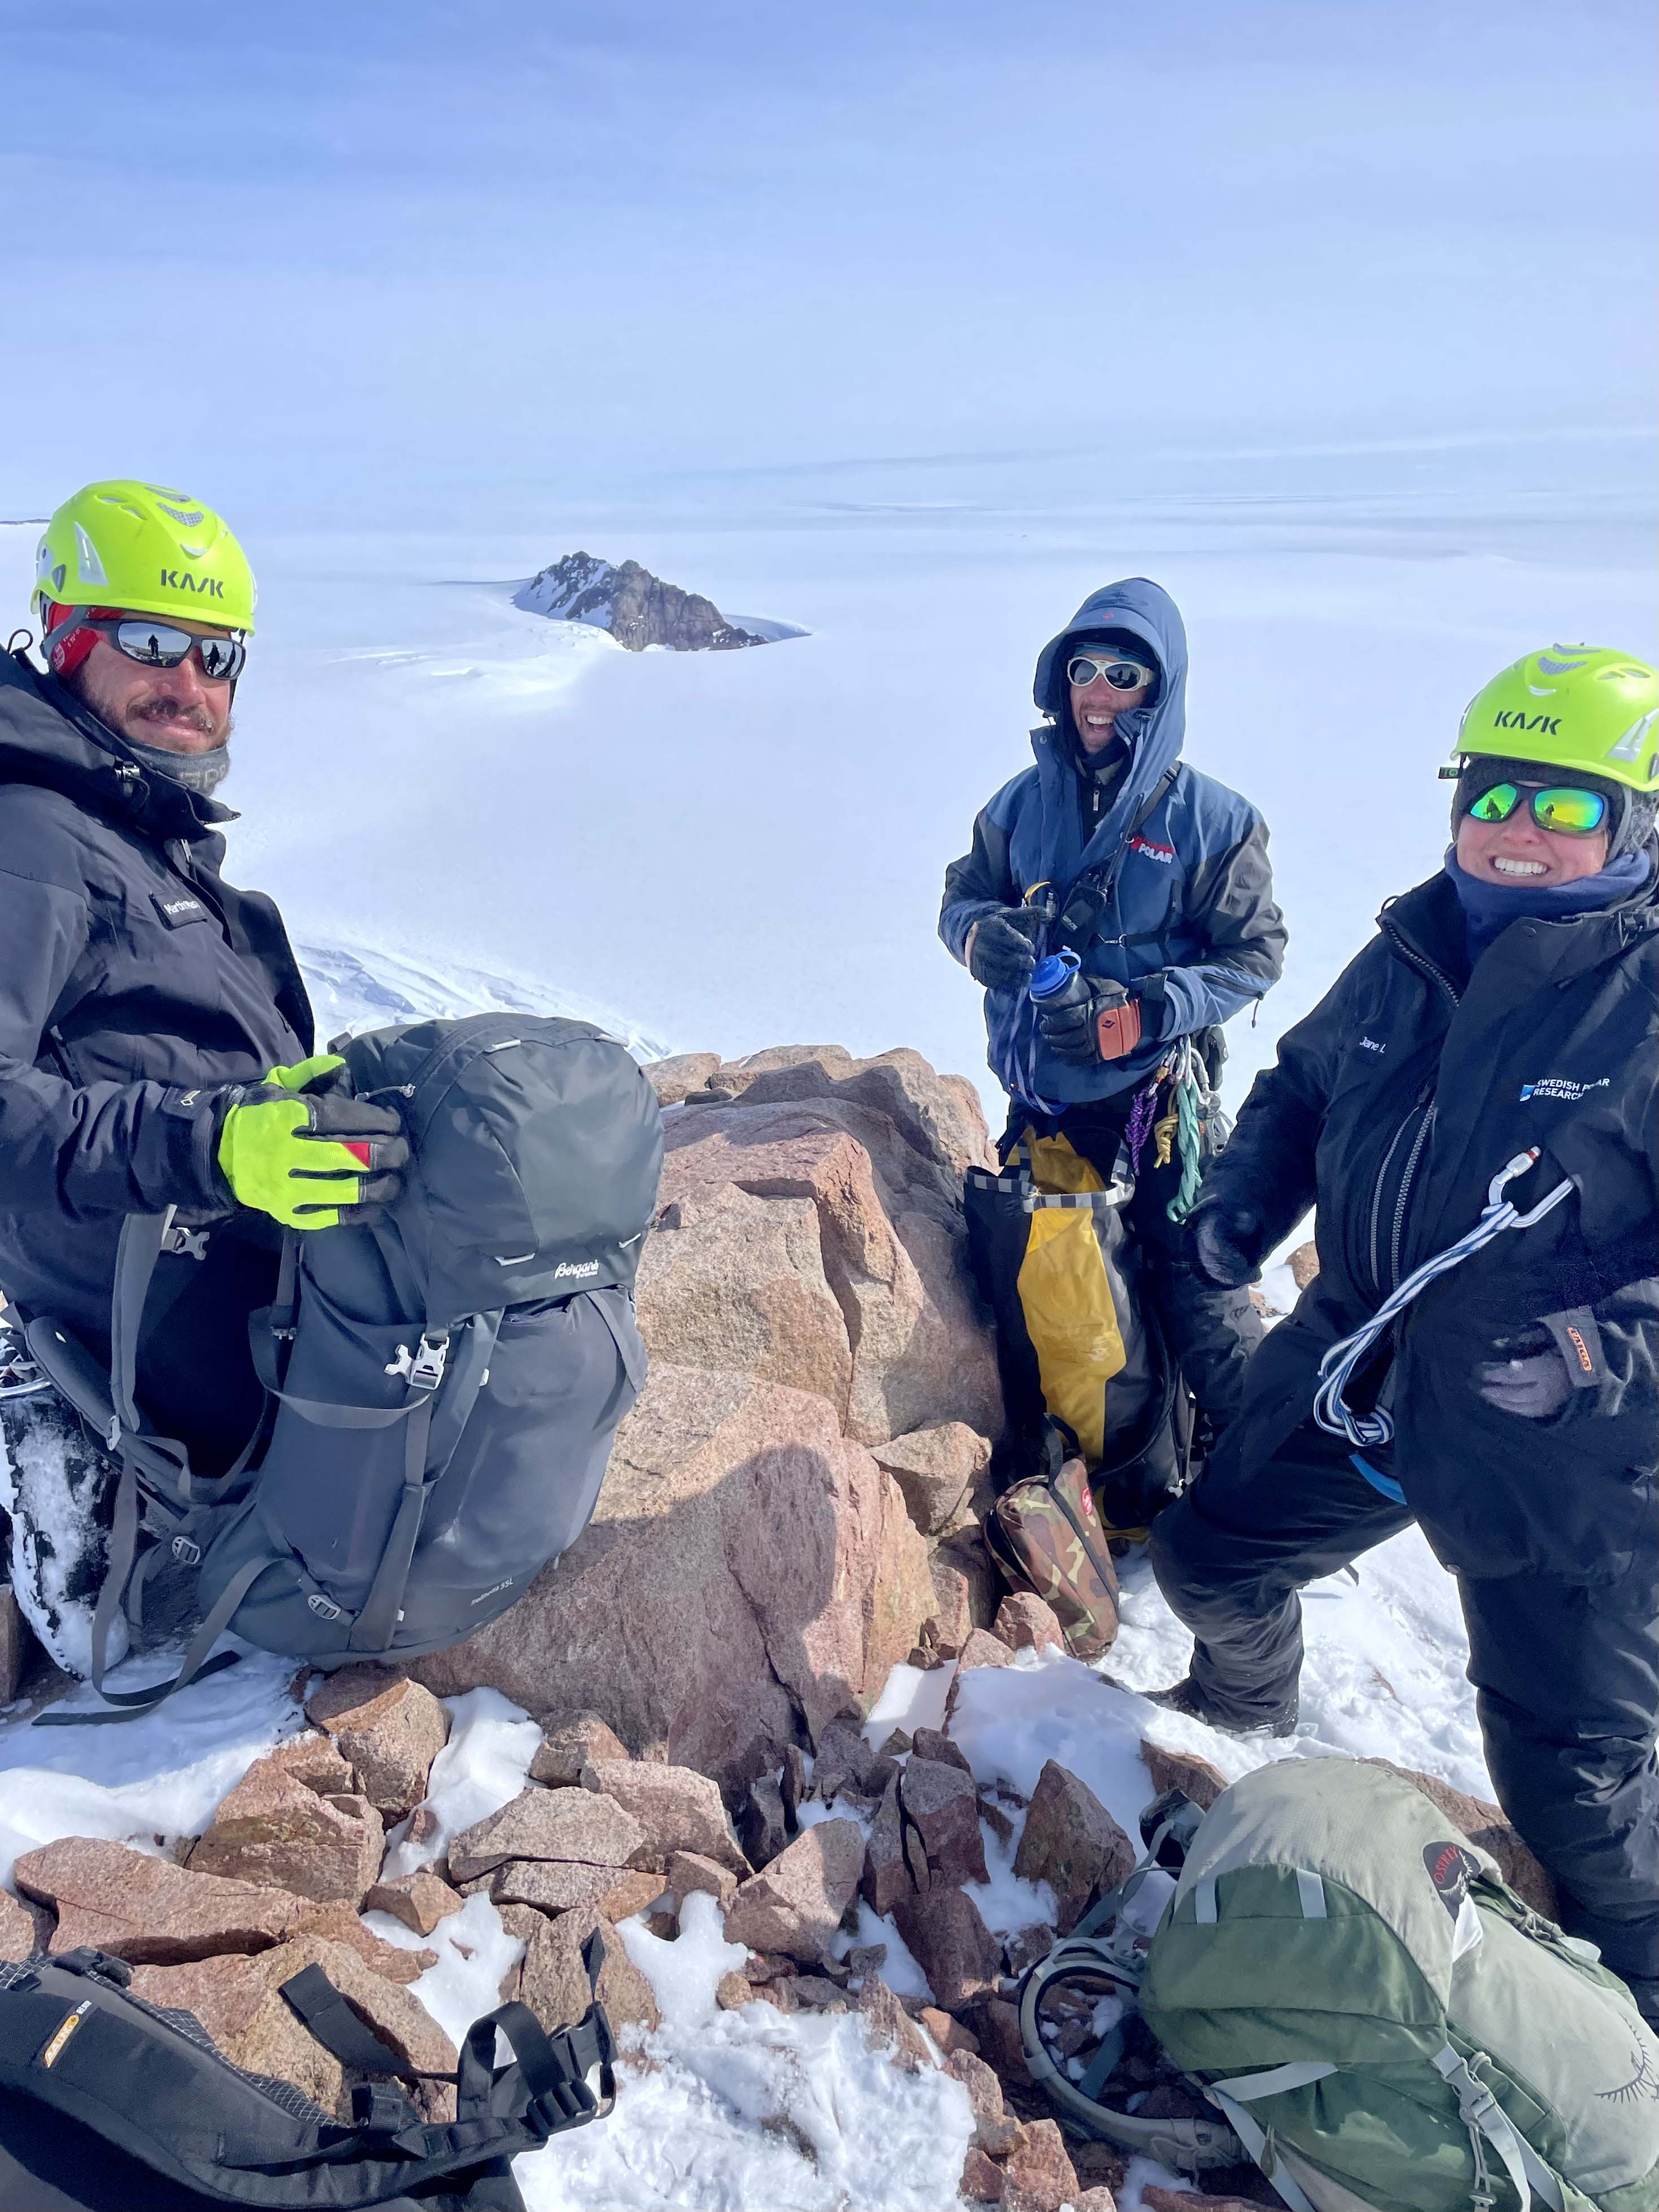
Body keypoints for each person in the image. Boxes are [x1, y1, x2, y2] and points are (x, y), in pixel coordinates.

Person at [1150, 643, 1659, 2023]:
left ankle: (1633, 2051)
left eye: (1567, 807)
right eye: (1497, 794)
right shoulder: (1418, 944)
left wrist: (1596, 1363)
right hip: (1362, 1370)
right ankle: (1245, 1713)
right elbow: (1307, 1086)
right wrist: (1239, 1210)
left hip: (1562, 1458)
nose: (1520, 832)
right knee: (1207, 1557)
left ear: (1638, 820)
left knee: (1581, 1797)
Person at [0, 480, 406, 1668]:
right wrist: (215, 1142)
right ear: (67, 642)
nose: (191, 683)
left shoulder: (128, 832)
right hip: (149, 1306)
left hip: (242, 1277)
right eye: (151, 643)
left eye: (216, 653)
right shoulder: (29, 834)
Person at [939, 577, 1287, 1449]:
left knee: (1192, 1295)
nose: (1097, 694)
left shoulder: (1213, 820)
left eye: (1124, 675)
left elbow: (1256, 957)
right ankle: (1101, 1460)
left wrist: (1144, 1010)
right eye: (1084, 670)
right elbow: (963, 894)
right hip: (1043, 1105)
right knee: (1054, 1295)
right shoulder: (1023, 801)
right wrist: (980, 937)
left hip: (1153, 1109)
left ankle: (1257, 1490)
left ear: (1161, 690)